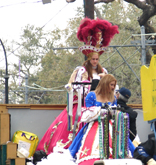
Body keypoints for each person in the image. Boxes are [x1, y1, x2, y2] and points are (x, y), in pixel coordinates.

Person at [36, 18, 119, 155]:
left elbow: (111, 87)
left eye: (97, 59)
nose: (95, 61)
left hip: (101, 106)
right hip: (83, 105)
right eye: (93, 59)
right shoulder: (80, 71)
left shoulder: (104, 72)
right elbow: (74, 87)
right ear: (88, 59)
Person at [69, 74, 134, 165]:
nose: (113, 88)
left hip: (111, 126)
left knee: (125, 144)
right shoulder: (91, 95)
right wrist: (102, 111)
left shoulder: (113, 98)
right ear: (105, 83)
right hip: (93, 126)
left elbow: (114, 113)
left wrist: (113, 113)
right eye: (111, 85)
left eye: (114, 85)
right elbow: (86, 114)